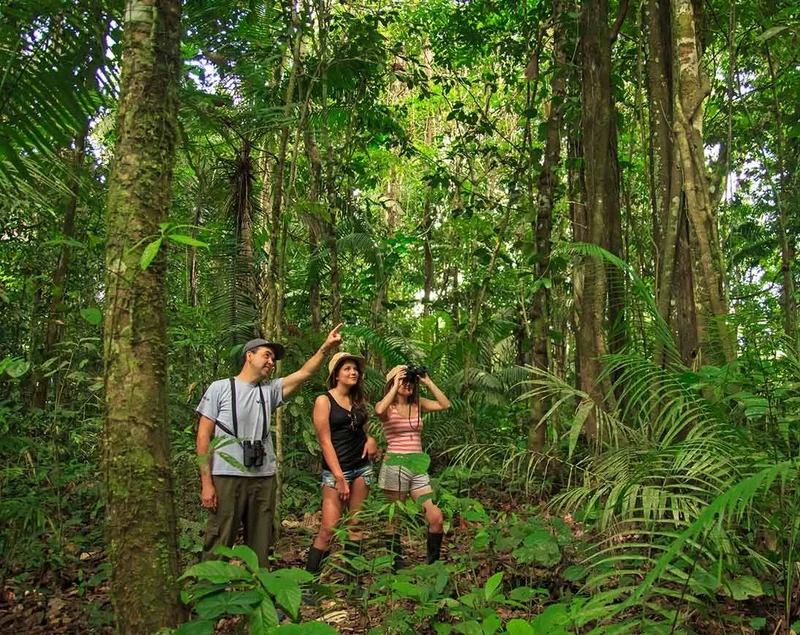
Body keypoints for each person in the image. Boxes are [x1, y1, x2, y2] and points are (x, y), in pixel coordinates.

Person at [196, 324, 343, 567]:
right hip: (226, 476)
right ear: (249, 355)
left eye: (273, 359)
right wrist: (206, 482)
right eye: (267, 355)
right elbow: (203, 436)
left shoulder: (271, 390)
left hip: (263, 477)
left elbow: (305, 373)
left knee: (261, 541)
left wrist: (325, 348)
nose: (271, 362)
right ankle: (209, 596)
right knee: (219, 538)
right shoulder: (220, 388)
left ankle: (259, 594)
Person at [305, 352, 379, 575]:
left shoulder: (358, 400)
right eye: (347, 368)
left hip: (361, 468)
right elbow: (325, 441)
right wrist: (339, 477)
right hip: (336, 472)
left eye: (355, 369)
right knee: (329, 528)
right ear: (336, 374)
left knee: (356, 525)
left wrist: (372, 440)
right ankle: (310, 583)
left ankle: (352, 581)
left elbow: (363, 431)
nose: (353, 372)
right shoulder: (323, 401)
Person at [374, 365, 451, 568]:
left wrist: (426, 380)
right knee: (394, 520)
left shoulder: (418, 404)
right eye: (403, 381)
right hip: (394, 466)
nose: (408, 385)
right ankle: (395, 567)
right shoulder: (387, 407)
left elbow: (445, 405)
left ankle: (432, 566)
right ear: (393, 383)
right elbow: (379, 410)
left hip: (417, 467)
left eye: (411, 381)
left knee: (436, 518)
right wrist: (396, 383)